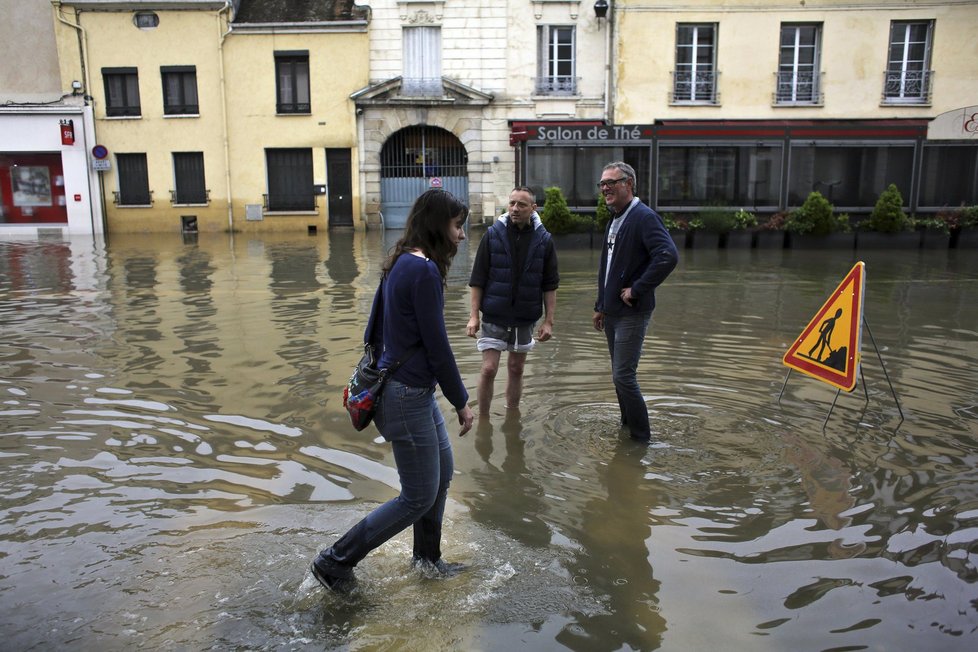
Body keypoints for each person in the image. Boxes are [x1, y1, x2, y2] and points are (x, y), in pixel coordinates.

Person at [311, 189, 476, 591]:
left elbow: (372, 331)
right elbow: (438, 347)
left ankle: (427, 561)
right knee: (418, 495)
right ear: (440, 226)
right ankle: (335, 561)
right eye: (457, 226)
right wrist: (461, 402)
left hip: (404, 389)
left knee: (442, 475)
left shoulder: (400, 259)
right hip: (407, 394)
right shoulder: (423, 271)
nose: (462, 236)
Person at [592, 162, 678, 442]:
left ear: (628, 184)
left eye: (611, 182)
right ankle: (627, 427)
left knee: (623, 376)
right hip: (613, 311)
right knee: (619, 377)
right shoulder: (616, 218)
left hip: (632, 311)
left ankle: (641, 440)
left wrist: (637, 289)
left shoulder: (644, 217)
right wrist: (600, 305)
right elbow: (607, 266)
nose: (605, 188)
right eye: (602, 183)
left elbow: (667, 256)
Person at [466, 186, 559, 416]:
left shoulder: (544, 240)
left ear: (533, 208)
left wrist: (548, 321)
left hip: (525, 316)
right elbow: (478, 278)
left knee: (516, 368)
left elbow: (550, 284)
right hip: (494, 314)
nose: (515, 209)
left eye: (522, 205)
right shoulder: (492, 234)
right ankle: (484, 420)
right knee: (488, 369)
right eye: (512, 203)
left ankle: (512, 416)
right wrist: (473, 315)